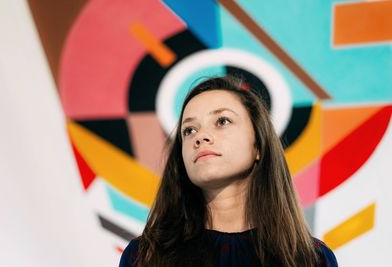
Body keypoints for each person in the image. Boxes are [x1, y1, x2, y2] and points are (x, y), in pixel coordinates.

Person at [119, 75, 338, 267]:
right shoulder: (143, 256)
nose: (201, 137)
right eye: (189, 130)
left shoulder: (312, 259)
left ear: (258, 146)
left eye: (222, 121)